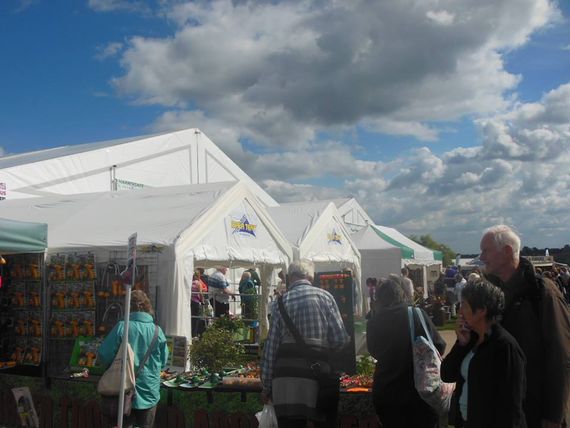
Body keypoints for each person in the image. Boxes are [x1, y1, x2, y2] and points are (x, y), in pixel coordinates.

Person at [479, 225, 570, 428]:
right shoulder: (493, 293)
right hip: (505, 405)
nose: (482, 257)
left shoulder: (542, 293)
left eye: (486, 250)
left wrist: (554, 414)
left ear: (508, 251)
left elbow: (560, 355)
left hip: (535, 407)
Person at [260, 261, 350, 428]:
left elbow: (271, 348)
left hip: (285, 384)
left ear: (290, 277)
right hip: (317, 382)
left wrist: (266, 386)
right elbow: (340, 340)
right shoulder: (326, 297)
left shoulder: (279, 303)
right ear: (311, 276)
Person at [441, 279, 527, 427]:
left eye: (464, 306)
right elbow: (447, 375)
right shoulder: (470, 339)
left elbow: (511, 406)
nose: (460, 311)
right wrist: (460, 345)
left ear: (481, 310)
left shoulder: (505, 347)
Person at [367, 275, 446, 428]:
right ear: (401, 294)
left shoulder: (373, 322)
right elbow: (439, 345)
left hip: (386, 393)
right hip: (418, 393)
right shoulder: (416, 314)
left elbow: (374, 352)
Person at [98, 290, 169, 428]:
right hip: (149, 390)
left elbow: (103, 355)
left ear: (127, 308)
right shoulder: (157, 331)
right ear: (148, 307)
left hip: (122, 389)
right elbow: (164, 361)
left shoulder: (122, 327)